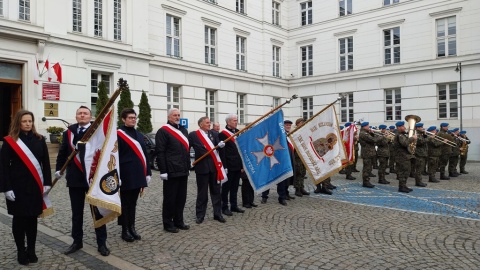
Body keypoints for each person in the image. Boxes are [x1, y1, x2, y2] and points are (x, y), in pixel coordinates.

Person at [56, 106, 110, 256]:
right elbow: (63, 153)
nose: (82, 115)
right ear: (76, 116)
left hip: (93, 178)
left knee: (98, 212)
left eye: (85, 113)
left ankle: (102, 243)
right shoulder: (68, 132)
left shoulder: (96, 132)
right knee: (76, 213)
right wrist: (59, 169)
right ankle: (77, 242)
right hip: (75, 179)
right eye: (79, 113)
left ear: (90, 116)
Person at [0, 110, 52, 265]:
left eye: (30, 121)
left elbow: (46, 163)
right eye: (24, 121)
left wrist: (47, 183)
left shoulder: (40, 139)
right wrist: (6, 188)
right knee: (19, 220)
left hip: (35, 186)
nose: (28, 124)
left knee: (32, 220)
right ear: (18, 122)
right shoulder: (10, 141)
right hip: (17, 188)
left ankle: (31, 249)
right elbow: (3, 167)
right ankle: (21, 251)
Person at [117, 108, 151, 242]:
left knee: (133, 203)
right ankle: (124, 230)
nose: (133, 119)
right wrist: (116, 175)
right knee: (125, 204)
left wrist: (147, 172)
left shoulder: (138, 134)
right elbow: (115, 156)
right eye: (130, 117)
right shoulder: (118, 134)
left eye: (134, 117)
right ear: (123, 119)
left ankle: (132, 227)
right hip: (125, 174)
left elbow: (145, 155)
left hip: (137, 174)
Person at [156, 108, 191, 233]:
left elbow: (186, 150)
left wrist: (188, 165)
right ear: (169, 117)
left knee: (181, 197)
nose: (177, 117)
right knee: (170, 198)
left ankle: (179, 220)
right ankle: (168, 223)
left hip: (183, 170)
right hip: (171, 170)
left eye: (179, 115)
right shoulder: (163, 131)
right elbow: (160, 152)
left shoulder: (183, 130)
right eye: (175, 115)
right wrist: (163, 171)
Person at [188, 116, 226, 224]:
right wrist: (188, 163)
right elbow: (186, 148)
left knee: (216, 192)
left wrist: (221, 146)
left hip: (214, 168)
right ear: (201, 124)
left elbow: (218, 148)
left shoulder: (214, 134)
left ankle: (217, 214)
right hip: (202, 168)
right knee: (202, 193)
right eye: (207, 123)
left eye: (210, 122)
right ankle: (200, 215)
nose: (210, 124)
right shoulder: (193, 135)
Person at [218, 114, 245, 216]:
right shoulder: (223, 134)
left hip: (237, 165)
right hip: (229, 165)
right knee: (226, 188)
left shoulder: (237, 133)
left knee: (234, 187)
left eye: (236, 120)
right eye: (234, 120)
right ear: (228, 122)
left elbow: (241, 150)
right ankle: (224, 207)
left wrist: (242, 165)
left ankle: (234, 205)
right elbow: (222, 152)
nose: (236, 122)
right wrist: (224, 166)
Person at [394, 121, 416, 193]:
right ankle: (401, 186)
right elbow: (405, 143)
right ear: (399, 127)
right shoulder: (399, 135)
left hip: (405, 156)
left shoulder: (402, 135)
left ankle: (404, 185)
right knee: (403, 172)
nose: (404, 127)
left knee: (406, 171)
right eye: (403, 126)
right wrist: (412, 138)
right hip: (401, 157)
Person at [358, 122, 379, 188]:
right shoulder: (363, 133)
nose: (369, 127)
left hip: (369, 153)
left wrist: (372, 133)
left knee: (368, 168)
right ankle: (365, 182)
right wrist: (376, 135)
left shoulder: (366, 133)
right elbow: (373, 140)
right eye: (368, 126)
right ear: (364, 127)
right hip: (367, 153)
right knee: (366, 168)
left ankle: (367, 181)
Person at [293, 118, 310, 197]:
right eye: (302, 122)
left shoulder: (304, 132)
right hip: (297, 156)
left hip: (304, 155)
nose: (303, 123)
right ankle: (297, 189)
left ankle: (301, 187)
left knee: (303, 172)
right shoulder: (294, 132)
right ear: (298, 123)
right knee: (298, 172)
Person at [283, 120, 296, 200]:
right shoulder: (283, 135)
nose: (288, 126)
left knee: (289, 176)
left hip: (291, 157)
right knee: (285, 177)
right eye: (287, 125)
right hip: (285, 158)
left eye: (289, 125)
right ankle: (283, 193)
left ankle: (286, 192)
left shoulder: (289, 135)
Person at [413, 123, 427, 187]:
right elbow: (420, 142)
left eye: (422, 127)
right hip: (419, 153)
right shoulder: (417, 134)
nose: (422, 128)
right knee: (418, 169)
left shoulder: (421, 134)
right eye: (421, 127)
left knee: (420, 168)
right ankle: (418, 182)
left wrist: (424, 135)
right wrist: (426, 137)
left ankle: (420, 181)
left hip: (422, 153)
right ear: (417, 128)